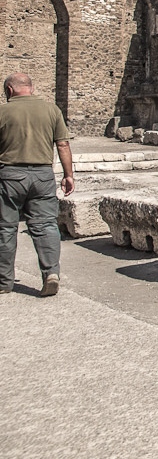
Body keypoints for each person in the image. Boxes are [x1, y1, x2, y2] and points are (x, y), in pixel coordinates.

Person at [0, 72, 74, 296]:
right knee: (46, 226)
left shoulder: (3, 111)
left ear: (10, 90)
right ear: (31, 88)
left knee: (5, 229)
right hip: (43, 175)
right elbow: (62, 144)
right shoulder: (51, 110)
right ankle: (51, 273)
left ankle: (4, 282)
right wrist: (68, 175)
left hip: (10, 176)